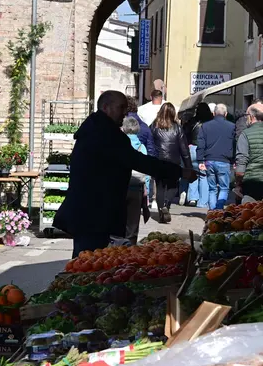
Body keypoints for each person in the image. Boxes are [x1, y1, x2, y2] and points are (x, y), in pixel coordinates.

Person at [54, 90, 196, 258]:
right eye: (121, 107)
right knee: (89, 261)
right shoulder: (105, 134)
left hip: (90, 211)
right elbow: (139, 161)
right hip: (95, 213)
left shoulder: (95, 128)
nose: (125, 113)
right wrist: (179, 171)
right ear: (106, 107)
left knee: (87, 259)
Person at [150, 103, 192, 223]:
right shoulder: (177, 128)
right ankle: (166, 205)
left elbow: (149, 143)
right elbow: (184, 149)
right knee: (173, 186)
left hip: (158, 161)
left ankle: (161, 211)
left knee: (160, 187)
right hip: (173, 162)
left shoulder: (154, 126)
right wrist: (188, 166)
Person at [198, 104, 236, 210]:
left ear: (213, 113)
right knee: (224, 188)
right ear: (226, 114)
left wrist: (200, 160)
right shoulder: (232, 127)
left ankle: (212, 212)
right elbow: (234, 144)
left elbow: (201, 144)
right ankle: (219, 210)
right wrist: (234, 160)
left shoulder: (205, 126)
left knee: (212, 189)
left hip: (209, 161)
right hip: (224, 161)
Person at [181, 103, 214, 208]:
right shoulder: (211, 122)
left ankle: (192, 199)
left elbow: (184, 133)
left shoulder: (192, 121)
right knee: (203, 176)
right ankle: (203, 202)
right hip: (205, 150)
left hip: (192, 148)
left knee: (193, 174)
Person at [122, 117, 147, 245]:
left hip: (121, 186)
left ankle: (119, 249)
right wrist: (146, 190)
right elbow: (146, 172)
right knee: (133, 224)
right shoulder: (142, 147)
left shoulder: (120, 145)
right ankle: (131, 248)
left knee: (120, 222)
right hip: (137, 187)